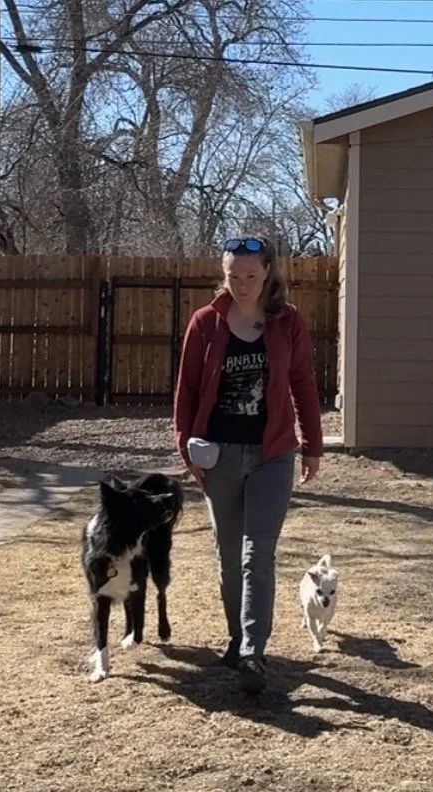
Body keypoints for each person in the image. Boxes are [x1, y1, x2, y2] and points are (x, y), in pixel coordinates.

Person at [173, 235, 323, 695]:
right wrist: (187, 449)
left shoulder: (288, 322)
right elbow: (188, 393)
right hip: (218, 456)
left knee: (257, 553)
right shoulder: (205, 323)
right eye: (233, 277)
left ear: (268, 274)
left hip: (272, 454)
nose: (241, 286)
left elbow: (302, 383)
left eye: (251, 277)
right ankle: (238, 638)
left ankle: (253, 651)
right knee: (228, 556)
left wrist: (312, 444)